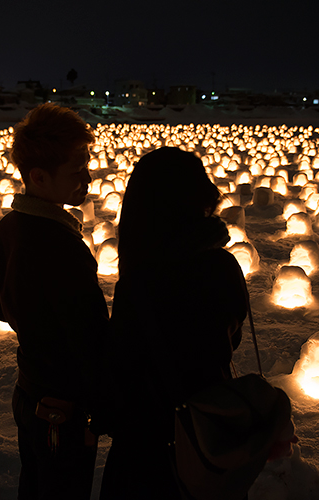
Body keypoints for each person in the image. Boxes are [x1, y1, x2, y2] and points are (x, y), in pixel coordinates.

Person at [99, 147, 248, 499]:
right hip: (205, 429)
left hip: (141, 440)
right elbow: (231, 335)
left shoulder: (137, 273)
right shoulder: (219, 267)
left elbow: (123, 352)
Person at [0, 103, 110, 500]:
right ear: (38, 177)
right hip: (65, 407)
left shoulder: (5, 230)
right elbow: (91, 339)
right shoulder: (61, 247)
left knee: (35, 483)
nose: (87, 179)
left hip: (29, 392)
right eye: (76, 172)